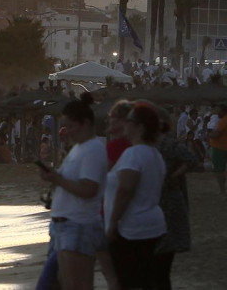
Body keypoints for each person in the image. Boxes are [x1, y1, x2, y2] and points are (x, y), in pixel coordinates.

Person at [37, 95, 108, 290]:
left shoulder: (92, 149)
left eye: (70, 126)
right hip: (65, 225)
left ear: (85, 123)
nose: (66, 132)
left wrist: (57, 179)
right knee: (65, 283)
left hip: (78, 225)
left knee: (77, 285)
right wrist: (52, 177)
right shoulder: (79, 148)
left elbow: (89, 189)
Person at [105, 101, 167, 290]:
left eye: (129, 121)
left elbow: (125, 191)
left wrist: (113, 223)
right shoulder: (154, 154)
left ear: (139, 127)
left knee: (129, 281)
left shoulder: (134, 154)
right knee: (144, 279)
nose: (125, 124)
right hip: (151, 223)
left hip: (132, 227)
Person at [153, 108, 195, 290]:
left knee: (159, 265)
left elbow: (191, 159)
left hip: (165, 199)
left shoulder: (163, 143)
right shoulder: (160, 142)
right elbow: (191, 159)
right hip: (166, 197)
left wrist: (175, 174)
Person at [209, 104, 227, 195]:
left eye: (218, 111)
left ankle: (222, 190)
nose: (217, 112)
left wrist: (208, 135)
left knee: (219, 170)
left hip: (219, 148)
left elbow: (216, 134)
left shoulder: (223, 121)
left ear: (223, 111)